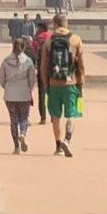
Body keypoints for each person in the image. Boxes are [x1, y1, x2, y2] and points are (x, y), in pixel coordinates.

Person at [41, 24, 85, 156]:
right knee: (72, 114)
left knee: (55, 116)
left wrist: (46, 84)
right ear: (66, 24)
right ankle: (67, 138)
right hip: (70, 83)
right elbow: (81, 65)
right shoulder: (75, 39)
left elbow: (43, 67)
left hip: (54, 84)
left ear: (54, 25)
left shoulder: (48, 42)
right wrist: (81, 82)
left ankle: (58, 146)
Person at [0, 35, 38, 152]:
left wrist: (7, 87)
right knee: (24, 118)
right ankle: (23, 134)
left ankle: (16, 147)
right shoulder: (28, 61)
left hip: (10, 94)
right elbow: (32, 78)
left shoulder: (6, 61)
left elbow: (1, 77)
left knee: (13, 120)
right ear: (24, 47)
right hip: (24, 93)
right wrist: (29, 88)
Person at [31, 13, 53, 124]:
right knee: (52, 93)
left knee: (42, 94)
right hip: (53, 69)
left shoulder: (36, 39)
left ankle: (43, 118)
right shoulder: (52, 38)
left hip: (41, 68)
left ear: (41, 28)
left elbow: (34, 53)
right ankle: (54, 116)